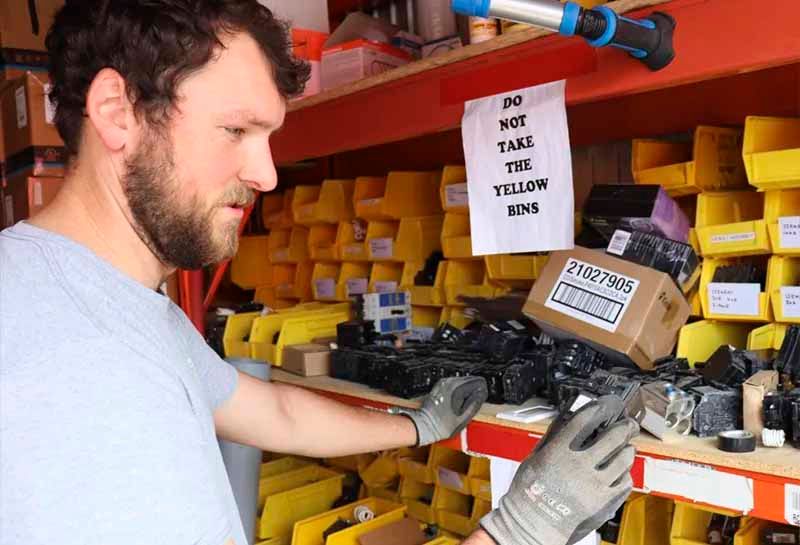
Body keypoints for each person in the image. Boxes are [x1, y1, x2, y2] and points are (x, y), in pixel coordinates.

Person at [0, 1, 637, 545]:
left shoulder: (113, 302)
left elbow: (271, 411)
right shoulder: (65, 359)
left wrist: (416, 424)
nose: (267, 174)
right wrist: (523, 526)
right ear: (118, 111)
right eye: (237, 129)